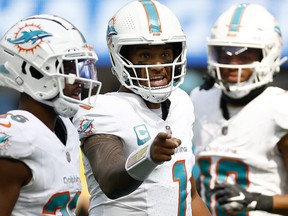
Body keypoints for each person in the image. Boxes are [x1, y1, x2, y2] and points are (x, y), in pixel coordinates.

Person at [73, 0, 211, 215]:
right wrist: (148, 156)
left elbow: (189, 195)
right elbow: (111, 182)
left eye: (165, 54)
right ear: (121, 58)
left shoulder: (181, 103)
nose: (158, 66)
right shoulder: (100, 108)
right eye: (145, 56)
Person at [190, 3, 288, 216]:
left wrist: (258, 201)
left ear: (267, 55)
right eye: (225, 55)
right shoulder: (200, 99)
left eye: (244, 56)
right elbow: (206, 178)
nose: (233, 64)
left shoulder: (280, 109)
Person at [0, 14, 101, 216]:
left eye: (79, 67)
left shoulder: (67, 130)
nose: (80, 80)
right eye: (68, 68)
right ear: (32, 70)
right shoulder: (17, 138)